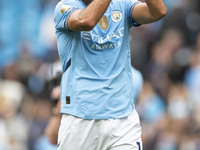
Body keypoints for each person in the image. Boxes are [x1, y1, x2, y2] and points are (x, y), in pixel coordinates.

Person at [54, 0, 167, 149]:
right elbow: (86, 20)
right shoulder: (65, 7)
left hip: (123, 120)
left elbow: (158, 11)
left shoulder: (122, 5)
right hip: (81, 120)